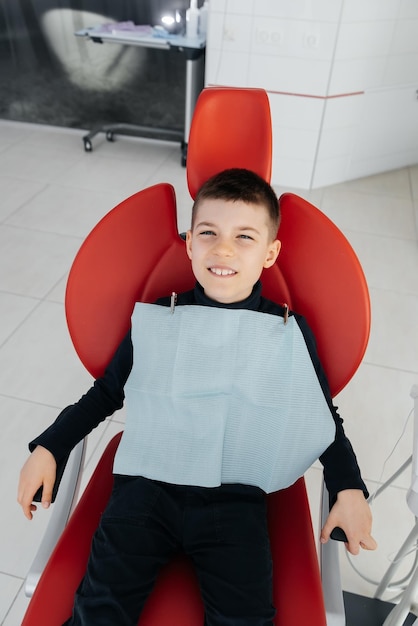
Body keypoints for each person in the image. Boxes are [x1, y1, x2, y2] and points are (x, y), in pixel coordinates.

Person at [18, 168, 377, 626]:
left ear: (271, 253)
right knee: (98, 614)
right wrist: (50, 446)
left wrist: (348, 488)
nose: (223, 249)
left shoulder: (287, 332)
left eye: (244, 237)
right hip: (145, 491)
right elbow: (106, 394)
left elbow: (321, 417)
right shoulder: (160, 320)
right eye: (208, 233)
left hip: (235, 500)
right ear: (190, 244)